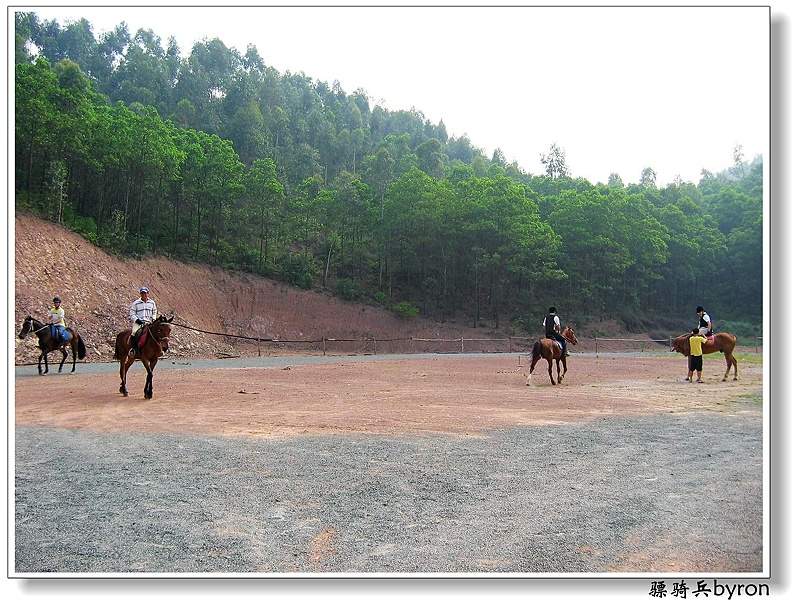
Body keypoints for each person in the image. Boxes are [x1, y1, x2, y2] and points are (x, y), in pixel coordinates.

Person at [129, 286, 157, 356]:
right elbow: (132, 313)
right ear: (140, 294)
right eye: (142, 293)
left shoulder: (152, 303)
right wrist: (137, 320)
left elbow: (154, 311)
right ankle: (133, 349)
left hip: (149, 322)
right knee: (134, 333)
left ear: (148, 293)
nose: (144, 295)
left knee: (158, 332)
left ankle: (160, 349)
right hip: (139, 322)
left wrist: (153, 318)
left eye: (145, 293)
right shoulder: (136, 303)